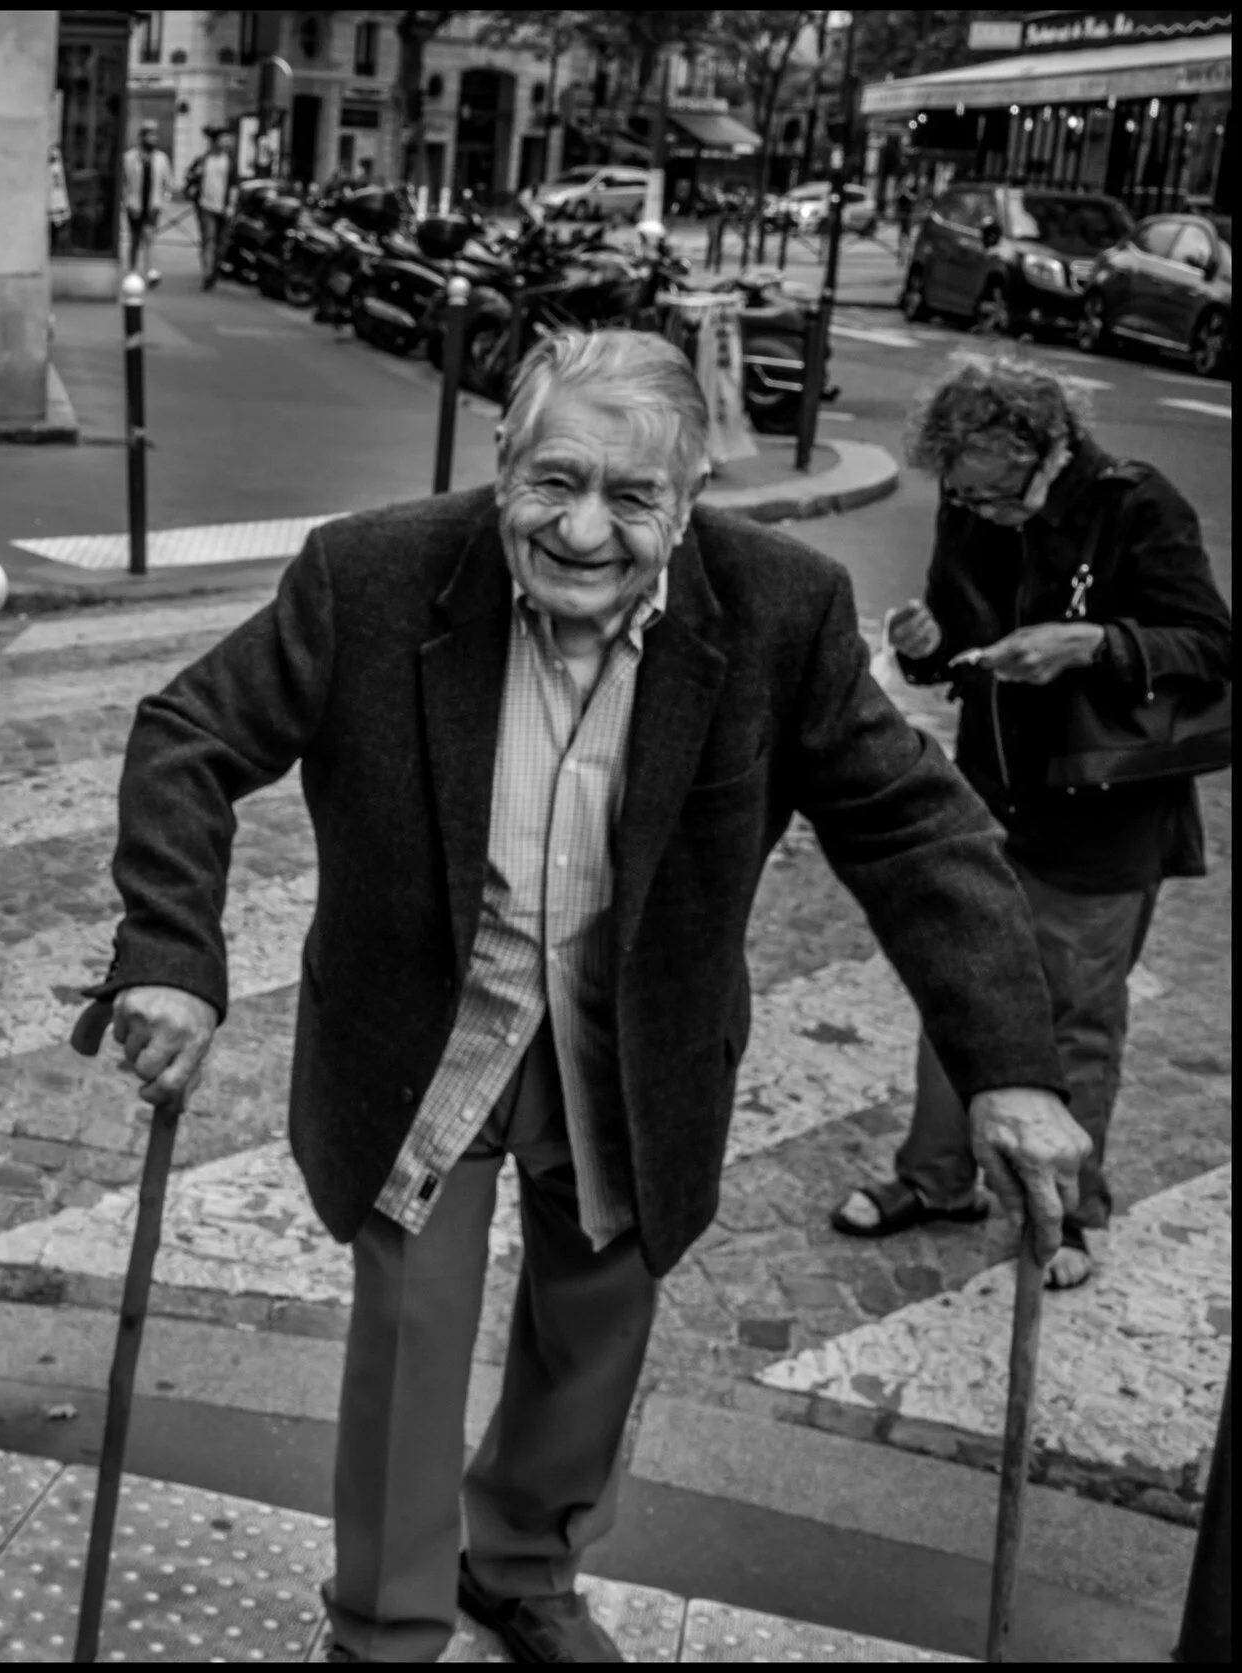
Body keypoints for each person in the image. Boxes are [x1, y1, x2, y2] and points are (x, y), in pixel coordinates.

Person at [86, 329, 1088, 1663]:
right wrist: (171, 954)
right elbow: (191, 737)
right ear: (500, 463)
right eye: (554, 481)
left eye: (633, 498)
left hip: (632, 1041)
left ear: (688, 504)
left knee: (597, 1321)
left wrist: (1008, 1065)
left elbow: (914, 831)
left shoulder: (778, 610)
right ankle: (385, 1621)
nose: (585, 528)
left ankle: (522, 1561)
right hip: (426, 1030)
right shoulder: (373, 574)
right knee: (412, 1323)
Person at [832, 355, 1231, 1288]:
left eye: (994, 497)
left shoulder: (1135, 504)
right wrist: (924, 645)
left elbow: (1214, 647)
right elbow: (958, 643)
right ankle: (936, 1180)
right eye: (962, 495)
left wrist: (1094, 642)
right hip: (986, 798)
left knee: (1075, 1021)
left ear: (1034, 444)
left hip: (1102, 817)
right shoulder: (969, 499)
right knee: (954, 989)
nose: (978, 511)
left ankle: (1066, 1210)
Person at [188, 126, 239, 287]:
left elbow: (234, 185)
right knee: (208, 240)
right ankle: (207, 273)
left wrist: (231, 205)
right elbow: (190, 177)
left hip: (223, 207)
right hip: (205, 206)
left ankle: (214, 270)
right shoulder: (204, 159)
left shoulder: (230, 162)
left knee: (221, 243)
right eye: (223, 140)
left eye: (228, 141)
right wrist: (195, 178)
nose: (226, 144)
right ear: (215, 142)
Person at [121, 118, 169, 286]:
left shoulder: (161, 159)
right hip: (135, 204)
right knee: (135, 239)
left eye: (155, 135)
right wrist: (127, 202)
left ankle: (150, 271)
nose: (153, 139)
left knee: (149, 237)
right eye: (150, 135)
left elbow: (166, 183)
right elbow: (124, 183)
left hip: (152, 205)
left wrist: (162, 201)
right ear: (141, 137)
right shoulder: (129, 158)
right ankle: (133, 271)